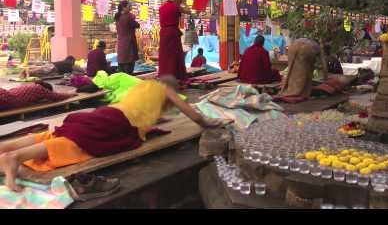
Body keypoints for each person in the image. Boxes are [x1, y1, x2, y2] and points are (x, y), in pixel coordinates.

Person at [0, 76, 227, 191]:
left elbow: (138, 110)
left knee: (65, 132)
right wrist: (211, 123)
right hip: (118, 123)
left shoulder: (143, 85)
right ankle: (14, 158)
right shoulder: (167, 90)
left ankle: (7, 148)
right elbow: (195, 116)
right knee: (77, 143)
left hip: (108, 113)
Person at [158, 0, 191, 80]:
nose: (180, 2)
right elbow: (188, 11)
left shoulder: (162, 7)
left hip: (163, 33)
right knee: (174, 55)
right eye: (179, 0)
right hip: (172, 33)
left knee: (165, 55)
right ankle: (176, 75)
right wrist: (183, 4)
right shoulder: (175, 7)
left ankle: (163, 74)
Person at [0, 81, 75, 111]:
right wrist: (71, 95)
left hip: (4, 95)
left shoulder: (27, 87)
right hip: (5, 99)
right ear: (46, 89)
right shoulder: (39, 89)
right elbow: (56, 96)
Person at [115, 1, 140, 75]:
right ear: (124, 7)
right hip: (129, 44)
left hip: (121, 44)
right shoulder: (129, 16)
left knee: (121, 68)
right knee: (129, 69)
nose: (131, 7)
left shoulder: (118, 17)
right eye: (129, 6)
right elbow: (137, 25)